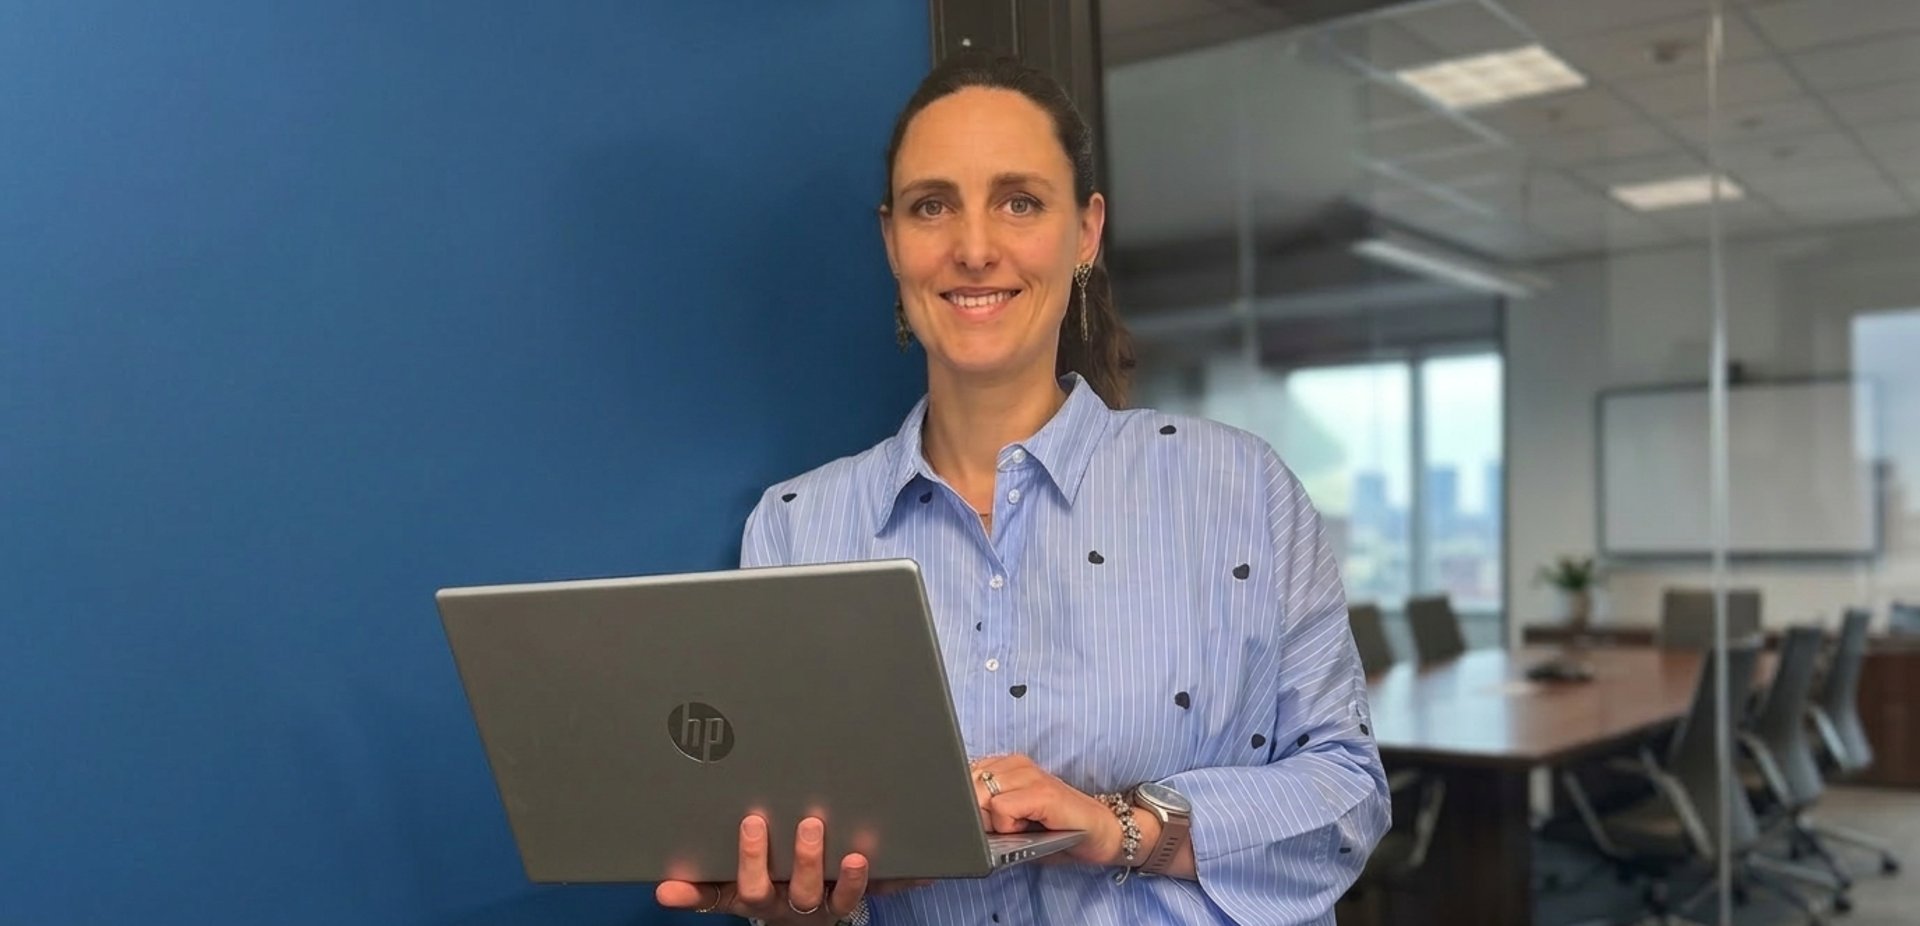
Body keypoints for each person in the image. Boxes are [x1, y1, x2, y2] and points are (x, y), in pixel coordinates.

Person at [656, 53, 1388, 925]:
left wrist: (1121, 825)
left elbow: (1347, 792)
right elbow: (798, 833)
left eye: (1019, 201)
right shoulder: (794, 527)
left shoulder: (1240, 489)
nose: (973, 248)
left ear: (1085, 231)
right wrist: (800, 906)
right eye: (933, 206)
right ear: (891, 239)